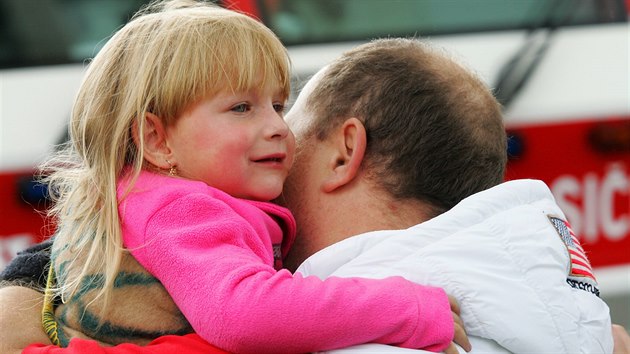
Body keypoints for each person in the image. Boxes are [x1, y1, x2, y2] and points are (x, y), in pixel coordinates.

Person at [3, 38, 629, 353]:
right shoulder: (567, 308)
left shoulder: (364, 324)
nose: (273, 136)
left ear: (344, 152)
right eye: (245, 111)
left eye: (283, 117)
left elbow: (242, 305)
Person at [10, 1, 467, 354]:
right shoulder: (181, 210)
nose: (278, 128)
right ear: (157, 140)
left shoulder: (146, 199)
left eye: (278, 105)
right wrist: (404, 308)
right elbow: (244, 313)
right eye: (241, 108)